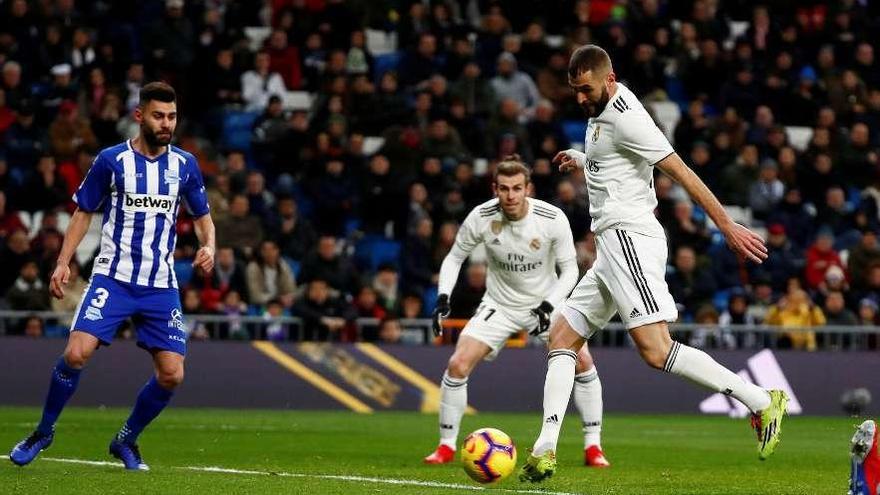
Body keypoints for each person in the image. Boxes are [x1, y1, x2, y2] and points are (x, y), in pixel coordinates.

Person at [519, 45, 788, 483]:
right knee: (561, 336)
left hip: (630, 239)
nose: (580, 98)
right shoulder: (599, 114)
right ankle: (545, 448)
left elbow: (679, 171)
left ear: (609, 79)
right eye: (574, 90)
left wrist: (726, 226)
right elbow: (620, 165)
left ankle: (761, 401)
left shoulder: (627, 115)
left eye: (586, 89)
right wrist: (585, 160)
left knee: (655, 349)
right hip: (611, 245)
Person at [8, 82, 215, 471]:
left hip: (159, 284)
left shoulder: (184, 165)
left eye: (171, 116)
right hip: (113, 277)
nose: (166, 123)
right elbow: (84, 212)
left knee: (172, 375)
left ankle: (126, 440)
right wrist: (63, 261)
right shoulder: (111, 160)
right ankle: (43, 432)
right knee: (75, 353)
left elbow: (203, 217)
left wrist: (209, 246)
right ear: (139, 116)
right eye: (158, 115)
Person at [425, 156, 610, 468]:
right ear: (494, 189)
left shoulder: (551, 218)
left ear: (528, 189)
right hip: (500, 304)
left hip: (547, 302)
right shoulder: (480, 216)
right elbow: (455, 257)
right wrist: (443, 296)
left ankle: (593, 446)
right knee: (457, 364)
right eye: (504, 188)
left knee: (583, 361)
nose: (510, 195)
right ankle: (445, 446)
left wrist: (549, 304)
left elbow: (569, 272)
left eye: (517, 188)